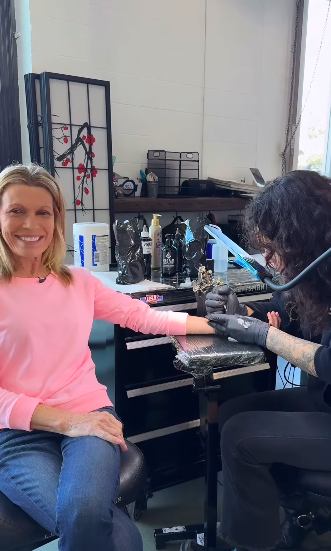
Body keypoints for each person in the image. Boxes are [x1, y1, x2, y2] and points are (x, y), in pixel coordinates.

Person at [0, 163, 213, 551]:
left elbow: (143, 316)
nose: (31, 224)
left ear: (56, 219)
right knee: (121, 537)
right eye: (17, 210)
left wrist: (218, 325)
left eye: (42, 212)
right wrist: (66, 422)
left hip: (91, 416)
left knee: (84, 511)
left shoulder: (78, 282)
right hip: (17, 434)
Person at [182, 170, 331, 551]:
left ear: (304, 237)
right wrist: (245, 310)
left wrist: (265, 335)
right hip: (322, 402)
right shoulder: (318, 275)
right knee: (231, 414)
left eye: (272, 247)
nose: (266, 259)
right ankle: (293, 517)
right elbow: (287, 307)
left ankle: (250, 545)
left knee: (239, 437)